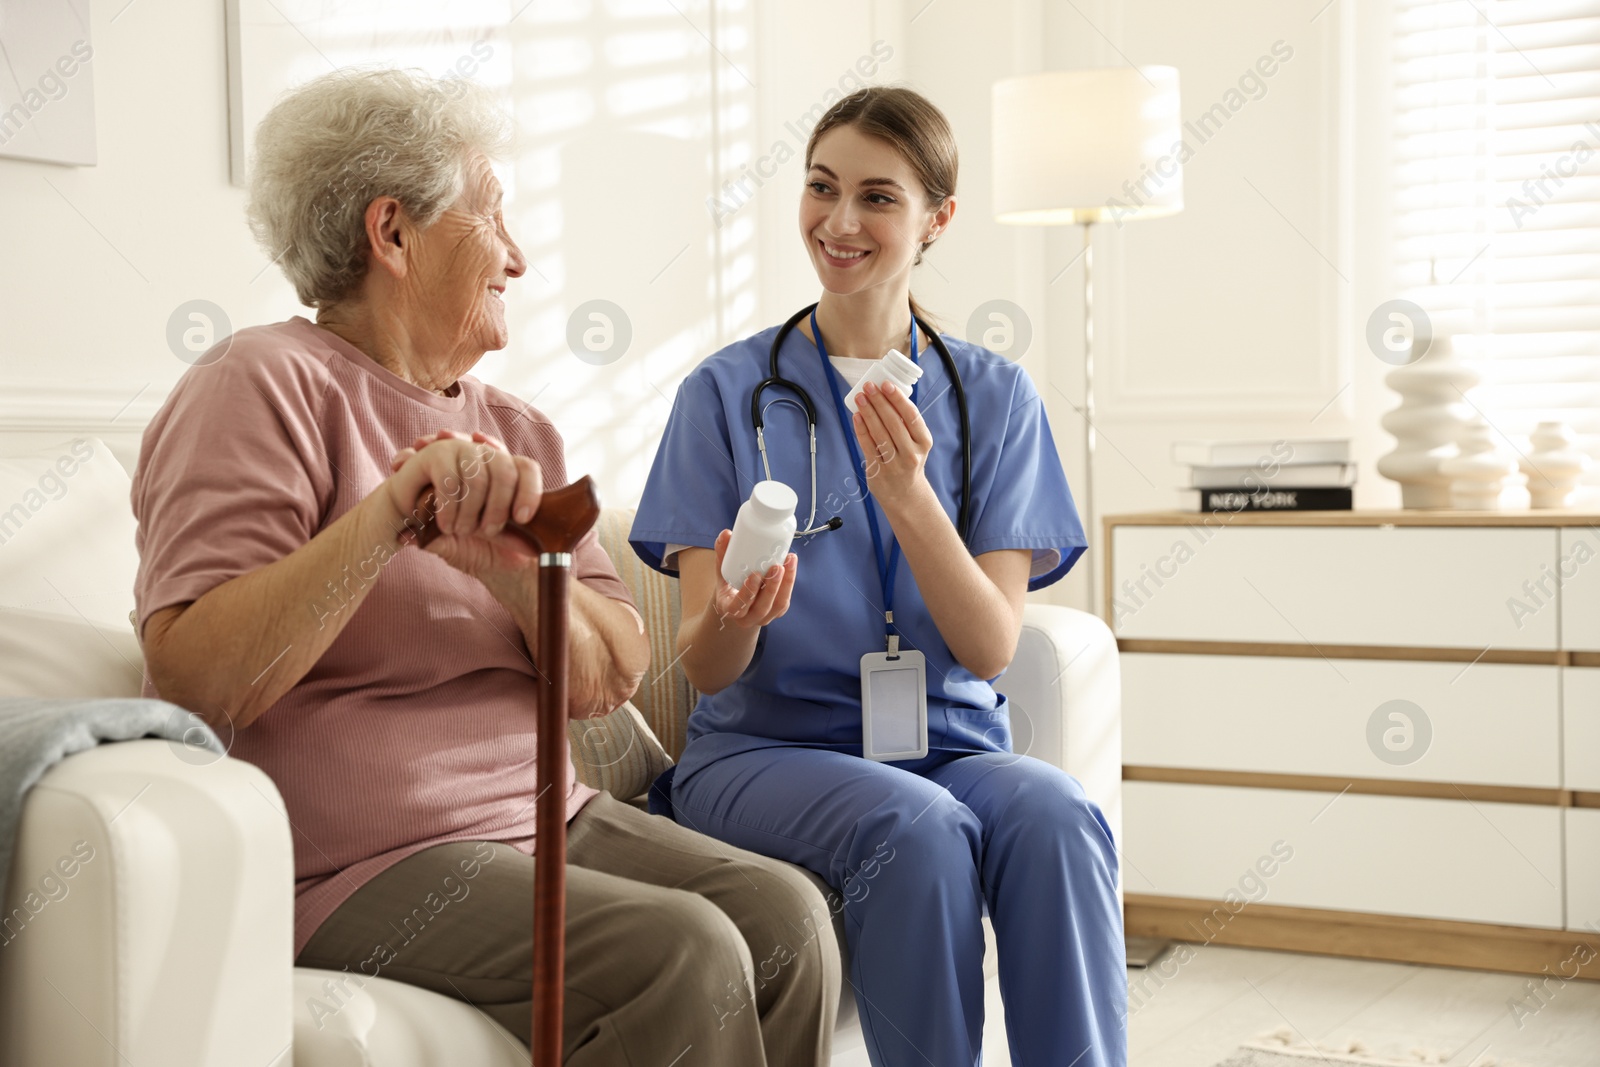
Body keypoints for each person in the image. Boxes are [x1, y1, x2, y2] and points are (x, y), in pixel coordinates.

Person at [131, 68, 838, 1066]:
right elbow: (202, 681)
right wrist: (384, 518)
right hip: (351, 861)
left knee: (785, 919)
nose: (520, 255)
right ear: (393, 231)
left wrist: (509, 569)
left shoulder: (516, 430)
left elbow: (607, 679)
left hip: (546, 814)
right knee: (679, 953)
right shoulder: (257, 384)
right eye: (493, 213)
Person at [630, 86, 1126, 1066]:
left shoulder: (994, 398)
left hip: (949, 742)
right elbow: (709, 668)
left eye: (877, 197)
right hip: (763, 754)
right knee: (919, 825)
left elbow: (988, 648)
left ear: (938, 217)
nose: (840, 221)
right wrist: (735, 610)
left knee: (1058, 812)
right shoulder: (725, 394)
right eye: (820, 188)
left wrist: (909, 497)